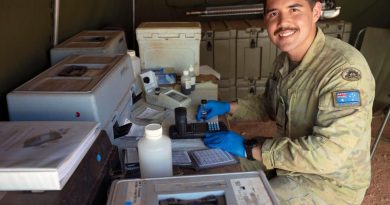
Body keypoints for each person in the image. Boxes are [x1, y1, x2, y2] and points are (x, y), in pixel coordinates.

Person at [196, 0, 375, 204]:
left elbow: (329, 154)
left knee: (243, 200)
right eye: (273, 14)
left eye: (294, 9)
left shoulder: (343, 71)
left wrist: (250, 150)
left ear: (316, 12)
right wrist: (228, 107)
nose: (283, 22)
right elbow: (270, 105)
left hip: (328, 184)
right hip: (289, 159)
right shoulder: (284, 61)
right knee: (216, 165)